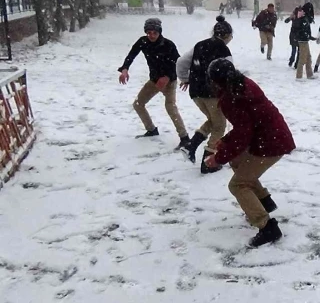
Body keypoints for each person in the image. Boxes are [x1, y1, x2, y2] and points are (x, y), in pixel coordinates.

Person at [204, 58, 295, 248]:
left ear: (216, 81)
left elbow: (243, 134)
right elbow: (245, 127)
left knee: (238, 185)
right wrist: (226, 141)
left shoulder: (232, 97)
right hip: (272, 137)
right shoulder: (241, 83)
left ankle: (267, 227)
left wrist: (218, 158)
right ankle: (264, 202)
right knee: (237, 161)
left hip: (270, 144)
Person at [118, 18, 189, 148]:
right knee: (138, 104)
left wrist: (167, 77)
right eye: (149, 32)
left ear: (159, 32)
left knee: (170, 107)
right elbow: (131, 55)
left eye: (154, 33)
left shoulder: (168, 45)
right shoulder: (143, 42)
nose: (151, 35)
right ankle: (151, 130)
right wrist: (124, 69)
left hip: (169, 82)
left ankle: (185, 138)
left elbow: (178, 64)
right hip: (154, 80)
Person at [176, 16, 234, 174]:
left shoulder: (199, 45)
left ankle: (191, 146)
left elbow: (181, 62)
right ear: (227, 35)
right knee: (220, 125)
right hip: (213, 94)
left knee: (213, 121)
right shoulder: (223, 49)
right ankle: (208, 162)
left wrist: (185, 79)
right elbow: (230, 73)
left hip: (196, 93)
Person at [293, 2, 317, 80]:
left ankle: (309, 74)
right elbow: (303, 30)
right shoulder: (303, 18)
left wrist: (310, 37)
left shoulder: (302, 16)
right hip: (302, 40)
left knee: (308, 58)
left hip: (304, 40)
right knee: (303, 58)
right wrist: (308, 36)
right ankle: (299, 76)